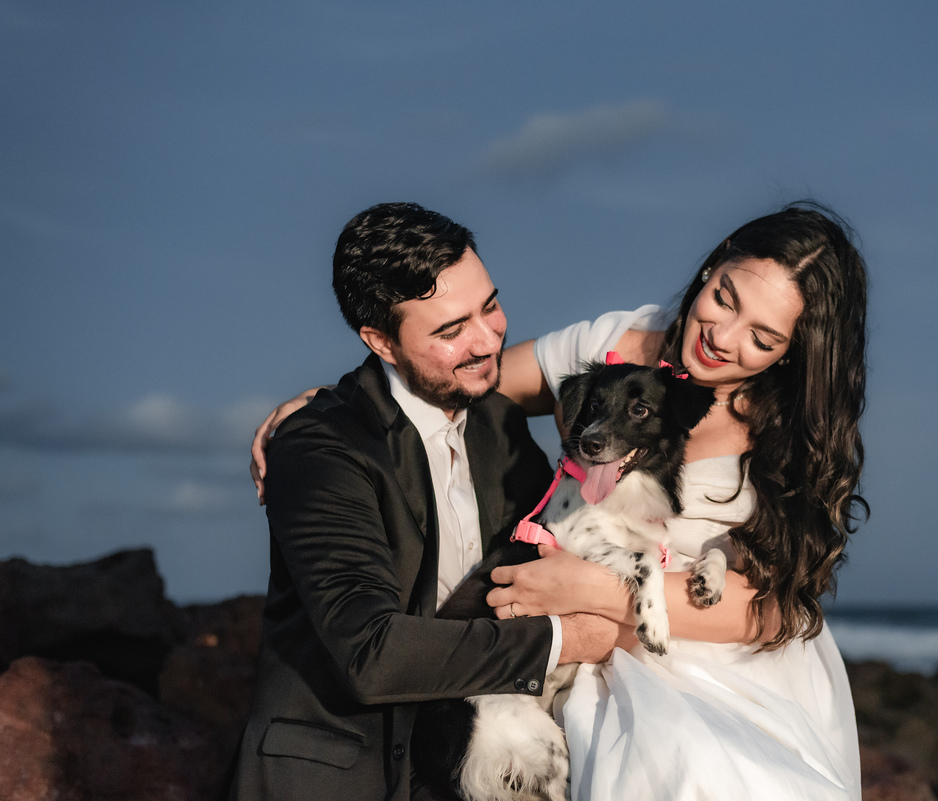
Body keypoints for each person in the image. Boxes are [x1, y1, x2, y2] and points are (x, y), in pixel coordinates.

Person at [252, 201, 868, 800]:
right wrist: (332, 403)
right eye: (724, 299)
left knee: (702, 768)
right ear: (714, 265)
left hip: (723, 656)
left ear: (795, 350)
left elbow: (774, 612)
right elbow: (465, 376)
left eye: (762, 337)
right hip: (593, 648)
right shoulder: (616, 343)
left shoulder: (798, 432)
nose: (722, 337)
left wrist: (599, 600)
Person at [230, 202, 622, 801]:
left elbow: (546, 554)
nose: (488, 340)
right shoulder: (319, 445)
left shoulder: (499, 422)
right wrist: (564, 640)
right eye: (450, 330)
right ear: (380, 341)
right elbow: (372, 654)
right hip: (335, 777)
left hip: (468, 765)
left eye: (489, 306)